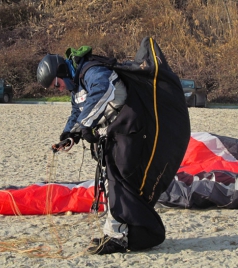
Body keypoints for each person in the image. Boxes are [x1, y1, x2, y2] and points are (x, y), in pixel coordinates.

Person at [37, 39, 190, 255]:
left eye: (56, 84)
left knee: (121, 181)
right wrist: (69, 135)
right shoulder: (77, 86)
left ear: (61, 71)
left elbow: (104, 92)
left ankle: (127, 234)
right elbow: (77, 111)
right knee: (113, 182)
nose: (58, 88)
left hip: (130, 128)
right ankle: (116, 233)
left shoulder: (92, 71)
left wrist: (87, 125)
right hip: (115, 133)